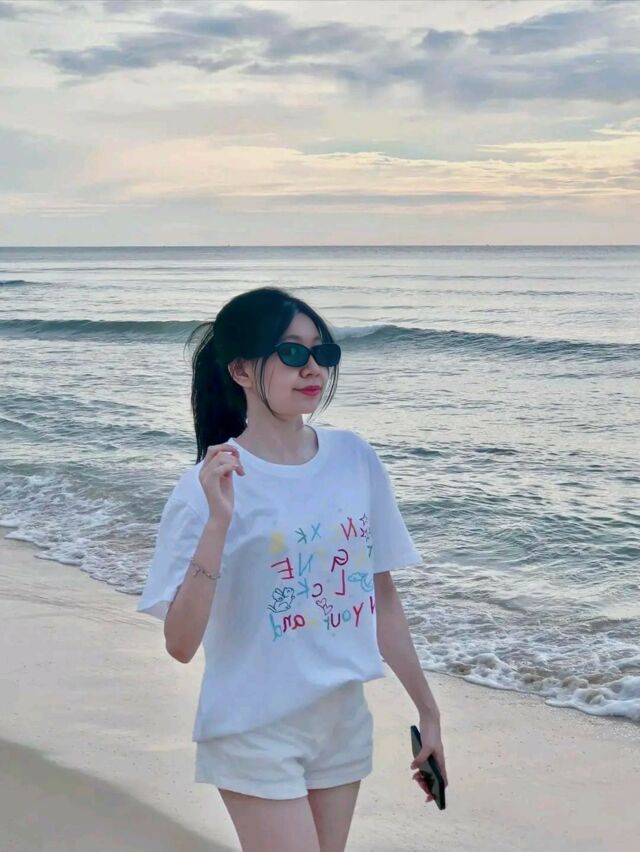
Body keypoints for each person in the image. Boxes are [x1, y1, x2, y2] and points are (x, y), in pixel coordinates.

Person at [136, 286, 448, 852]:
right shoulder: (205, 487)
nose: (312, 368)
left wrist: (428, 712)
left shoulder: (354, 458)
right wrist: (218, 523)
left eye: (321, 352)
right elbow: (180, 643)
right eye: (291, 352)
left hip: (341, 723)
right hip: (253, 726)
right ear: (240, 370)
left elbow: (381, 598)